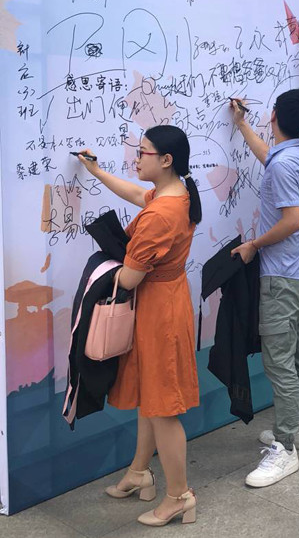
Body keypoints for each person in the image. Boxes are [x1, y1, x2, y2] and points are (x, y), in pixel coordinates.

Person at [77, 125, 201, 527]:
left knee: (163, 408)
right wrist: (97, 172)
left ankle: (179, 496)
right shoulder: (175, 194)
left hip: (159, 313)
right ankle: (139, 472)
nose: (136, 158)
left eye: (142, 152)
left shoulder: (160, 215)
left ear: (165, 160)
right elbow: (135, 193)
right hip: (164, 303)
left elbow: (129, 279)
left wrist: (101, 271)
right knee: (153, 397)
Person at [229, 89, 299, 487]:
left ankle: (285, 448)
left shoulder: (284, 164)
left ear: (275, 116)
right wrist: (242, 125)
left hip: (280, 274)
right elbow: (269, 156)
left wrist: (254, 244)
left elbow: (292, 220)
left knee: (280, 361)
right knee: (298, 352)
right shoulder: (297, 153)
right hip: (297, 270)